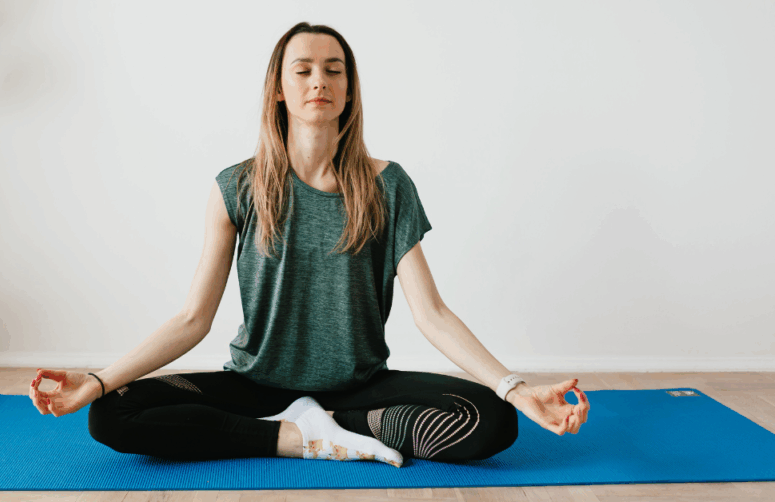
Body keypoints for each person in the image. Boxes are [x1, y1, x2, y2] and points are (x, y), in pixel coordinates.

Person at [29, 22, 589, 467]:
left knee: (492, 420)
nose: (318, 80)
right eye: (303, 70)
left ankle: (336, 428)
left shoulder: (387, 186)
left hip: (362, 388)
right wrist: (100, 378)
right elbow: (192, 318)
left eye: (333, 69)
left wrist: (515, 389)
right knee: (112, 413)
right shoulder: (237, 187)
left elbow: (433, 314)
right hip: (255, 386)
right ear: (280, 88)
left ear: (348, 89)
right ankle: (300, 438)